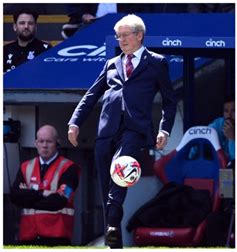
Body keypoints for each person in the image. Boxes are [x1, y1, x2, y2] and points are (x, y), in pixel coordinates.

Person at [67, 14, 177, 248]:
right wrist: (74, 122)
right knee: (107, 186)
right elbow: (91, 95)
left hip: (135, 131)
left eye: (125, 35)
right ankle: (113, 241)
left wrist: (165, 130)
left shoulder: (157, 62)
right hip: (107, 131)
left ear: (139, 35)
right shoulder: (111, 64)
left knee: (121, 171)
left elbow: (169, 100)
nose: (121, 40)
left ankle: (112, 229)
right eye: (119, 36)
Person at [11, 125, 80, 246]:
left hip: (57, 237)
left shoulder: (69, 168)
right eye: (41, 141)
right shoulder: (25, 167)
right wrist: (43, 193)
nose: (44, 145)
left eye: (49, 141)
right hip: (28, 236)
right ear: (35, 143)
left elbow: (59, 201)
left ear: (57, 143)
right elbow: (15, 197)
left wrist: (28, 196)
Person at [208, 96, 235, 162]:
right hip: (216, 166)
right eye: (226, 111)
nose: (229, 115)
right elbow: (201, 136)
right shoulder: (218, 124)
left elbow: (234, 160)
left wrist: (232, 138)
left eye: (233, 111)